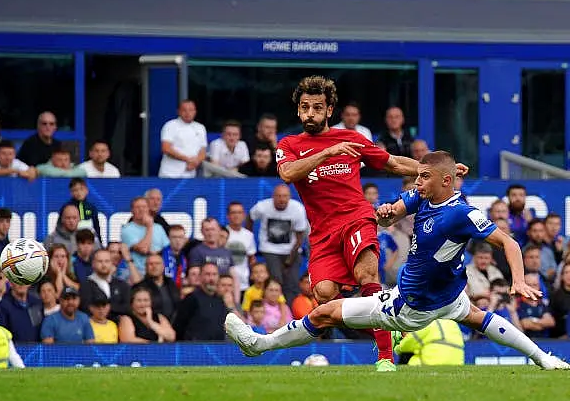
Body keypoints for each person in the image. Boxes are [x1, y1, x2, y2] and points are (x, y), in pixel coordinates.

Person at [226, 151, 570, 371]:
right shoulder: (424, 196)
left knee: (324, 312)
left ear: (446, 181)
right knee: (478, 317)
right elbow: (391, 216)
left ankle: (260, 345)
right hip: (449, 296)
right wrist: (388, 213)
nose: (417, 181)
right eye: (418, 176)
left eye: (424, 177)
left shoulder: (463, 213)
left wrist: (519, 279)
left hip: (412, 306)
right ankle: (543, 358)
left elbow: (509, 242)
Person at [272, 76, 464, 371]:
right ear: (298, 111)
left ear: (330, 110)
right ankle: (390, 325)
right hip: (323, 232)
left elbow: (394, 163)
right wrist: (326, 152)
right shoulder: (290, 144)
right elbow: (287, 174)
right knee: (323, 295)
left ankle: (385, 358)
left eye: (317, 107)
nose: (310, 113)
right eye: (305, 107)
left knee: (366, 275)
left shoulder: (350, 140)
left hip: (355, 217)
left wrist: (438, 170)